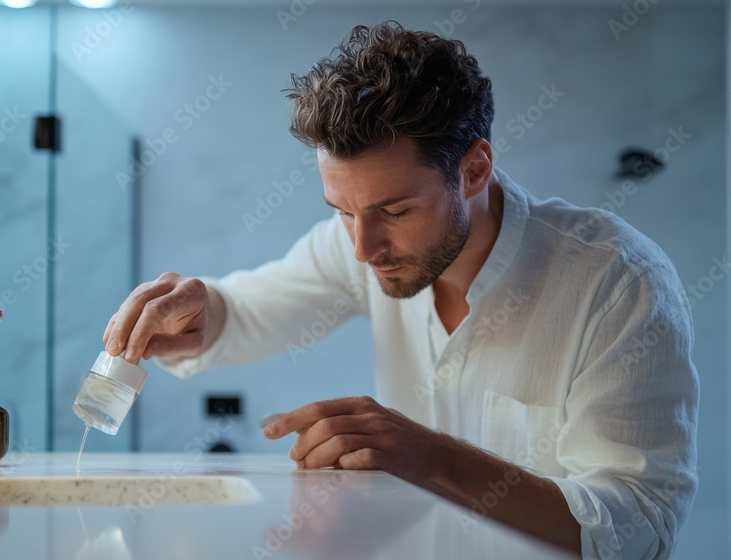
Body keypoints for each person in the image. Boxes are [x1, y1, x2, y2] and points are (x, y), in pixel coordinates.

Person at [102, 20, 697, 559]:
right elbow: (249, 311)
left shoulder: (617, 284)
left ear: (473, 170)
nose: (363, 248)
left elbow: (639, 530)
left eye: (395, 209)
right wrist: (196, 313)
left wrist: (428, 457)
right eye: (342, 211)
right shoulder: (358, 243)